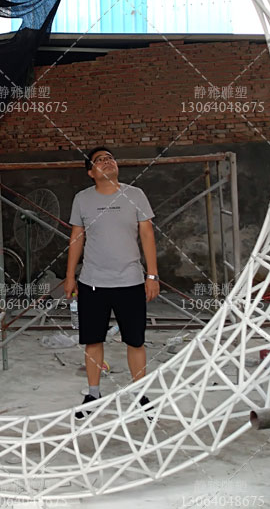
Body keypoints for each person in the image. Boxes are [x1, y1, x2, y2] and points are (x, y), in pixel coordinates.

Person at [64, 146, 160, 418]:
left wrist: (152, 275)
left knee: (135, 341)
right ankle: (93, 394)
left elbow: (147, 235)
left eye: (110, 158)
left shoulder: (135, 195)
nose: (107, 162)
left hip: (130, 281)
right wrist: (70, 276)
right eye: (99, 160)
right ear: (90, 172)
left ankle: (140, 394)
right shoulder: (82, 199)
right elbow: (77, 238)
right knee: (93, 341)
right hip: (93, 282)